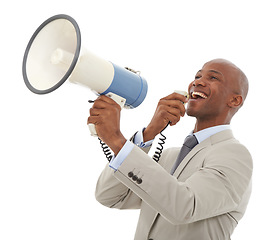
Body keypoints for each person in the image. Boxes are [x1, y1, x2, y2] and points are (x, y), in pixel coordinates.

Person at [88, 58, 253, 240]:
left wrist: (116, 141)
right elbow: (109, 196)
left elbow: (185, 207)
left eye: (213, 78)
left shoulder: (234, 154)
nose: (197, 81)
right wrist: (149, 133)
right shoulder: (169, 157)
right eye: (197, 76)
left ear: (235, 100)